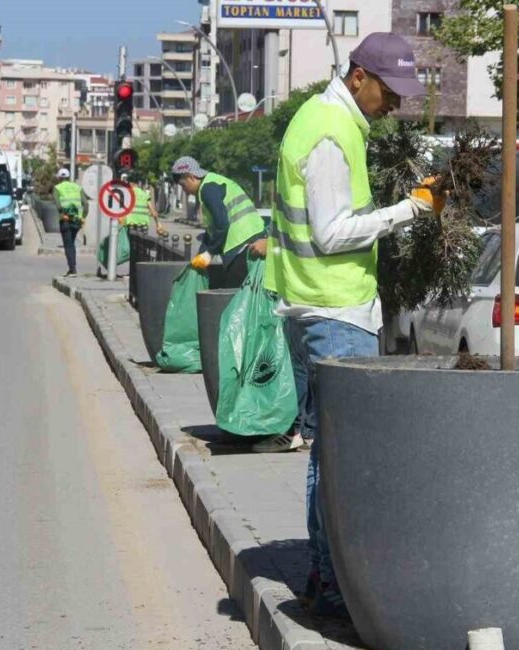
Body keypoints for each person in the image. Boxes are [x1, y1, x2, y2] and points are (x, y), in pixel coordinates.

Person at [260, 32, 434, 620]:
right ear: (359, 76)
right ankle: (334, 584)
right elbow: (333, 233)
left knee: (325, 452)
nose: (396, 105)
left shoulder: (324, 120)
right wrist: (410, 209)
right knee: (337, 456)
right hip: (334, 310)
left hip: (313, 306)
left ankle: (324, 577)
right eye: (390, 91)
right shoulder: (331, 132)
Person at [170, 157, 267, 286]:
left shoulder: (208, 190)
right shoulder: (211, 183)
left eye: (183, 185)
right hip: (252, 239)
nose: (184, 190)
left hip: (243, 244)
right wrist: (202, 254)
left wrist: (210, 253)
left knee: (235, 294)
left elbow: (222, 225)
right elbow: (213, 229)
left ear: (191, 177)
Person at [54, 168, 87, 277]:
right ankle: (73, 267)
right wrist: (83, 216)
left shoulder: (57, 188)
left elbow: (58, 205)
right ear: (68, 177)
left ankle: (72, 269)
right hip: (77, 220)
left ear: (59, 178)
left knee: (68, 245)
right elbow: (85, 203)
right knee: (72, 243)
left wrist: (62, 213)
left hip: (66, 219)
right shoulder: (78, 187)